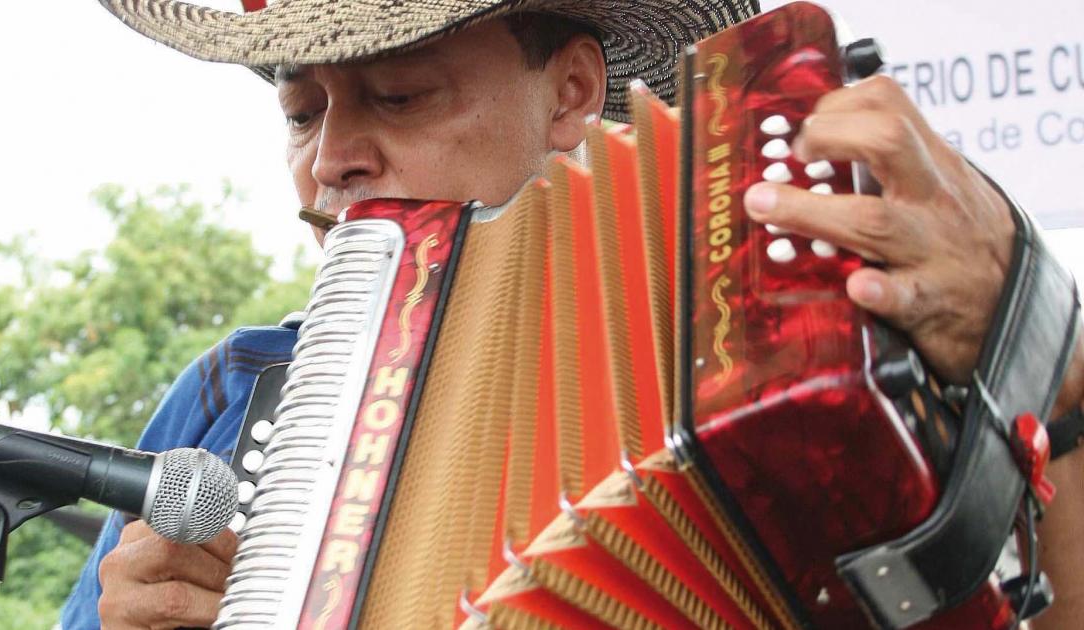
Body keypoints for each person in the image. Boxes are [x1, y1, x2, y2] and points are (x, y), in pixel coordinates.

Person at [60, 0, 1084, 628]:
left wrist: (1043, 355)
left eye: (401, 96)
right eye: (301, 113)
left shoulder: (799, 331)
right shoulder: (227, 395)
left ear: (571, 94)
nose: (331, 159)